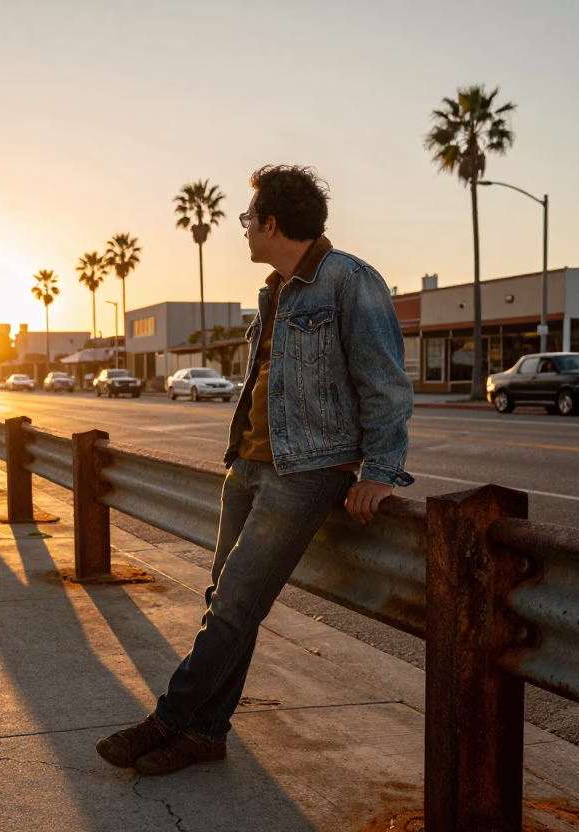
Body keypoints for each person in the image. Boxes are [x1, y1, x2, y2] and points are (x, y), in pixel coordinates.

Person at [96, 165, 414, 776]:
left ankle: (165, 721)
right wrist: (242, 456)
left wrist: (380, 469)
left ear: (271, 223)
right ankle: (206, 734)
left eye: (248, 219)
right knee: (226, 603)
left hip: (306, 471)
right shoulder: (274, 291)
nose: (243, 229)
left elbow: (386, 384)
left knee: (235, 605)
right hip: (248, 465)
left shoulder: (350, 281)